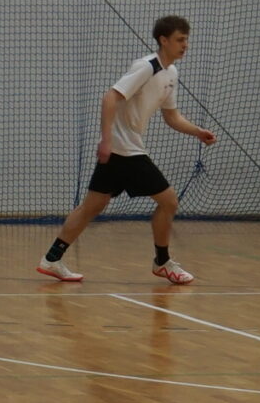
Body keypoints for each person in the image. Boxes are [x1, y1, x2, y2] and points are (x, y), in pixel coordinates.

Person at [36, 16, 216, 285]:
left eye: (186, 40)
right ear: (163, 40)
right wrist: (106, 140)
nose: (185, 45)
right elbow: (110, 97)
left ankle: (52, 258)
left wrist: (198, 132)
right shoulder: (146, 67)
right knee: (169, 201)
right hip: (126, 150)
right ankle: (162, 262)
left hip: (122, 150)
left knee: (92, 206)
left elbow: (171, 116)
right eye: (180, 39)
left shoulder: (171, 73)